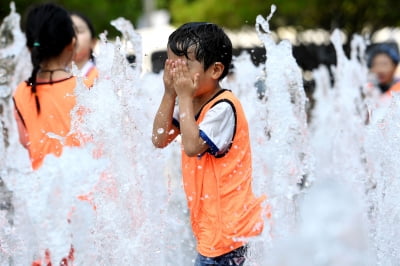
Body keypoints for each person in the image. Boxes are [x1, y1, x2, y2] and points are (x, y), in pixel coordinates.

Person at [152, 22, 266, 266]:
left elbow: (192, 147)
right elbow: (159, 139)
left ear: (215, 70)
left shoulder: (223, 107)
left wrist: (182, 96)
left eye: (184, 66)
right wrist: (169, 93)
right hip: (213, 229)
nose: (176, 73)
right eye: (172, 64)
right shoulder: (190, 103)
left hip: (230, 232)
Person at [13, 3, 95, 171]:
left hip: (43, 194)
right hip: (86, 192)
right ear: (72, 44)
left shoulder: (21, 92)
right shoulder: (87, 87)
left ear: (30, 48)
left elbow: (25, 141)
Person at [70, 11, 98, 83]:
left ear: (93, 42)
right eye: (68, 31)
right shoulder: (45, 78)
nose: (73, 35)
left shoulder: (103, 79)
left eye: (79, 31)